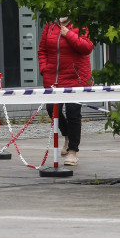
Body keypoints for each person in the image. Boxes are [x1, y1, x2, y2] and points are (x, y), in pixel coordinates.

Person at [38, 15, 94, 166]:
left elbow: (87, 48)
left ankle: (73, 151)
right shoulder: (49, 25)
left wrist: (69, 34)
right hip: (53, 78)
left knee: (73, 111)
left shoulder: (80, 24)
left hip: (76, 78)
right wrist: (44, 69)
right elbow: (42, 50)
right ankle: (67, 135)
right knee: (52, 110)